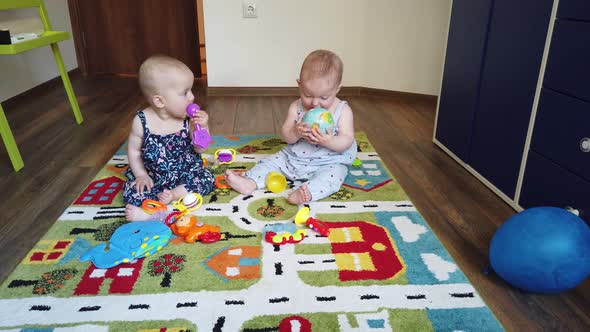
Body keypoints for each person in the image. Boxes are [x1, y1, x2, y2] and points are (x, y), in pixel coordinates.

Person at [226, 49, 357, 204]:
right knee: (270, 161)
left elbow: (347, 140)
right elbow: (286, 135)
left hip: (328, 162)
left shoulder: (343, 110)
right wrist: (296, 131)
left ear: (337, 89)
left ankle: (307, 192)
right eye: (308, 95)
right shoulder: (296, 107)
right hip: (294, 158)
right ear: (299, 85)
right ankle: (250, 182)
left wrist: (328, 141)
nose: (315, 103)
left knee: (334, 176)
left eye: (324, 97)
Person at [123, 55, 215, 221]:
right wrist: (141, 175)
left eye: (191, 91)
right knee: (134, 190)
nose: (192, 97)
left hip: (185, 173)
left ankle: (174, 194)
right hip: (154, 176)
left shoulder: (188, 120)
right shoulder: (142, 121)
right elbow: (134, 151)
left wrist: (202, 127)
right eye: (185, 93)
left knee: (206, 178)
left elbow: (201, 149)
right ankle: (148, 212)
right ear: (160, 101)